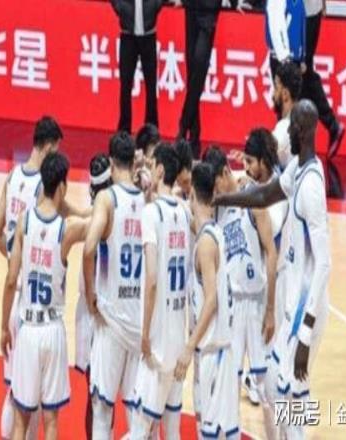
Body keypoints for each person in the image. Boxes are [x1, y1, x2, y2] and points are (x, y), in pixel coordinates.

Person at [214, 100, 331, 439]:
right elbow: (264, 195)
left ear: (301, 131)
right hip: (291, 301)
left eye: (292, 126)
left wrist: (305, 333)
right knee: (279, 390)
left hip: (304, 309)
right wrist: (225, 200)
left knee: (287, 391)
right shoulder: (299, 167)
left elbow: (324, 263)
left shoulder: (311, 188)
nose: (286, 134)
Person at [0, 152, 89, 440]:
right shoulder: (67, 229)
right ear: (62, 186)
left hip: (27, 328)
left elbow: (11, 280)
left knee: (20, 419)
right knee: (50, 420)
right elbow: (97, 223)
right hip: (52, 330)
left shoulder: (24, 222)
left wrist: (4, 327)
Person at [0, 116, 63, 440]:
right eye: (56, 150)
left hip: (16, 290)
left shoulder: (13, 176)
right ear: (47, 147)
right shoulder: (42, 189)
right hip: (33, 304)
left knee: (15, 390)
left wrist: (13, 261)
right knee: (29, 401)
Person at [202, 146, 277, 438]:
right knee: (228, 384)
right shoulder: (216, 203)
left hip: (256, 304)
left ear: (225, 173)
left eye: (216, 184)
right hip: (230, 309)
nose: (214, 192)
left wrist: (270, 309)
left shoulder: (252, 197)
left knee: (267, 387)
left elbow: (271, 252)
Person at [83, 132, 146, 439]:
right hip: (138, 321)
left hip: (110, 321)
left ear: (110, 162)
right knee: (136, 413)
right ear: (133, 160)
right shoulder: (146, 200)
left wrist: (91, 296)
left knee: (102, 409)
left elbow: (88, 248)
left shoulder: (107, 199)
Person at [174, 163, 239, 439]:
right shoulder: (214, 232)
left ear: (191, 195)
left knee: (211, 433)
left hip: (214, 352)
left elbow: (211, 301)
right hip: (221, 349)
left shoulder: (205, 244)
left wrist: (188, 347)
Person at [130, 145, 191, 439]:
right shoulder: (185, 211)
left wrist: (144, 334)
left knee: (140, 428)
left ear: (161, 170)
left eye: (152, 165)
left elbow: (152, 278)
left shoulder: (151, 214)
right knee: (172, 429)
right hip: (179, 336)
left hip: (158, 342)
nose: (149, 170)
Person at [74, 154, 113, 439]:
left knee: (97, 393)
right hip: (98, 308)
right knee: (100, 394)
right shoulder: (106, 211)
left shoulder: (96, 212)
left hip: (97, 308)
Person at [177, 0, 222, 159]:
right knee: (192, 72)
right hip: (191, 8)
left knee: (199, 64)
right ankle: (194, 137)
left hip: (209, 12)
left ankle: (184, 124)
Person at [112, 0, 163, 133]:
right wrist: (120, 8)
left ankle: (151, 129)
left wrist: (155, 5)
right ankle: (124, 129)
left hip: (149, 34)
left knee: (151, 86)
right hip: (127, 35)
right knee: (125, 85)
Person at [302, 0, 345, 158]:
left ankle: (332, 124)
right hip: (305, 11)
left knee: (302, 71)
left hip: (305, 12)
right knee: (302, 73)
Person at [272, 62, 302, 169]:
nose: (273, 94)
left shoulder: (283, 129)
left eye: (276, 88)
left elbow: (264, 169)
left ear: (285, 94)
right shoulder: (303, 123)